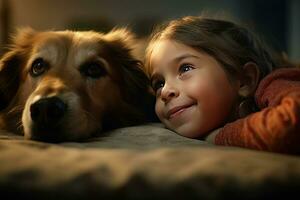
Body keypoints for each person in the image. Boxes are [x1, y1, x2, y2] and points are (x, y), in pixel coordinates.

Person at [144, 15, 300, 155]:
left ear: (245, 80)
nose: (165, 91)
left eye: (185, 68)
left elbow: (291, 126)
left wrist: (219, 136)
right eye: (159, 83)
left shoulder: (277, 83)